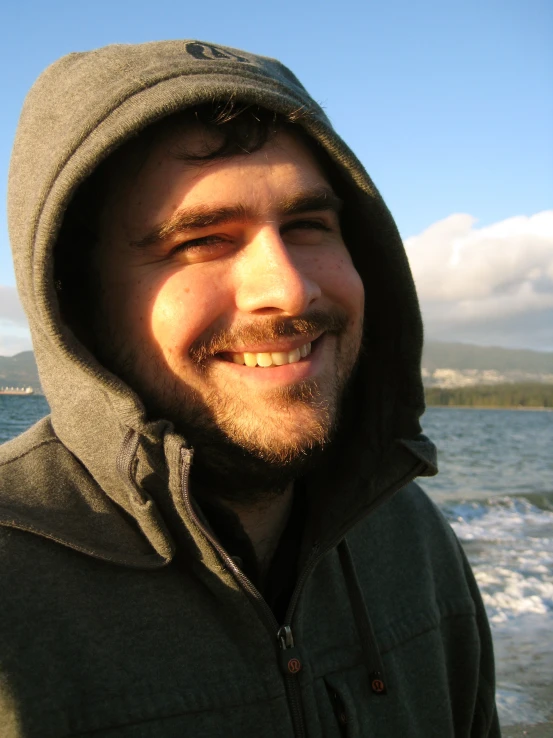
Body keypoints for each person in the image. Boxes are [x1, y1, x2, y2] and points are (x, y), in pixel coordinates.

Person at [0, 40, 500, 737]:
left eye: (307, 226)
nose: (288, 287)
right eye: (200, 241)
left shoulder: (407, 538)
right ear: (74, 299)